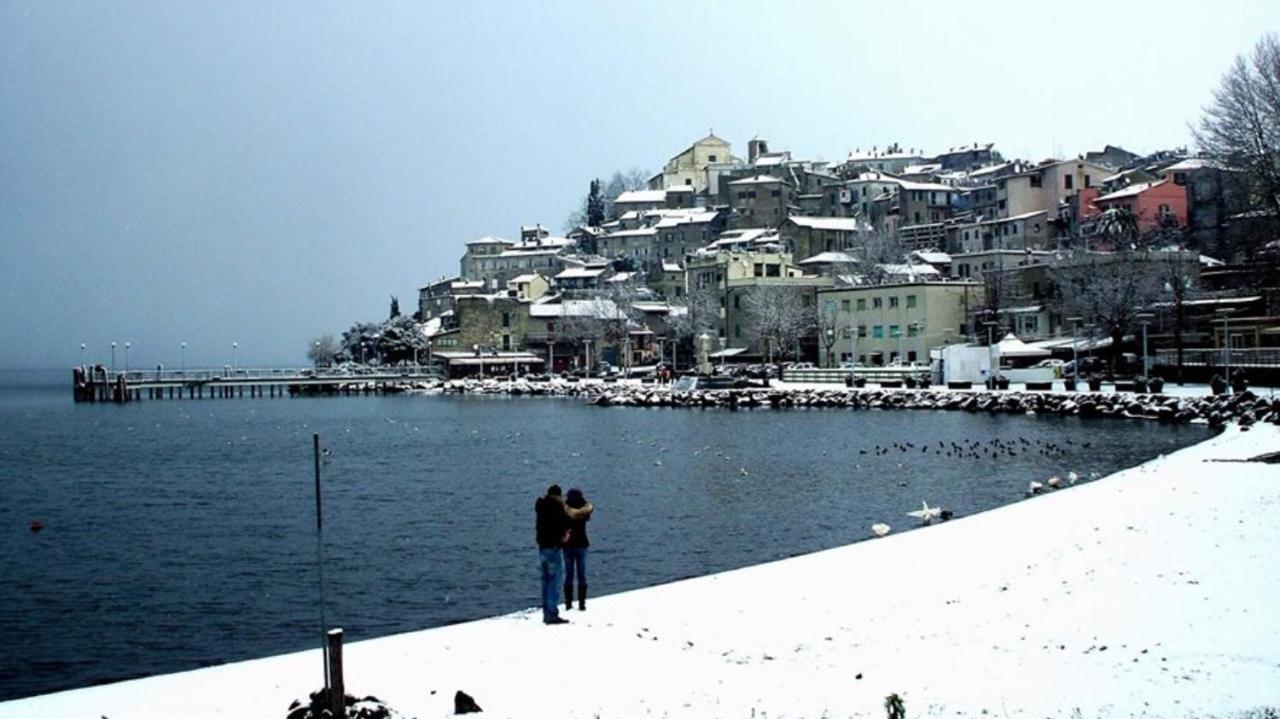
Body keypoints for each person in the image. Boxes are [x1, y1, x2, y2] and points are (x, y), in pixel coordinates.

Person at [534, 484, 592, 624]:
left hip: (543, 547)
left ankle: (552, 610)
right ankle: (553, 614)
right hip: (556, 547)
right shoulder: (559, 509)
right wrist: (563, 535)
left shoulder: (541, 507)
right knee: (555, 581)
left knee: (546, 581)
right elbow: (565, 522)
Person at [562, 488, 591, 611]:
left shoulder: (565, 510)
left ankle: (568, 603)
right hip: (582, 544)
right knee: (582, 575)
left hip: (568, 546)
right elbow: (589, 509)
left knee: (569, 575)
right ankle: (582, 603)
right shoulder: (584, 512)